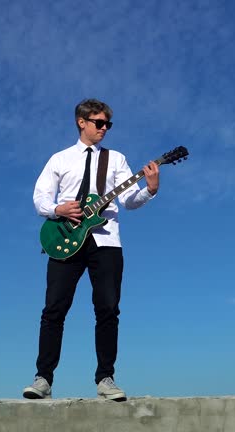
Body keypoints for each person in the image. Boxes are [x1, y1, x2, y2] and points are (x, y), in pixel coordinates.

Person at [24, 98, 160, 401]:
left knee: (108, 309)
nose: (104, 129)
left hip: (106, 241)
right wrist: (58, 208)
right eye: (99, 123)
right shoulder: (59, 159)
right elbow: (40, 197)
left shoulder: (116, 159)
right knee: (54, 309)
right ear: (81, 122)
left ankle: (106, 378)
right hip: (65, 240)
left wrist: (149, 190)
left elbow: (128, 201)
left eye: (107, 124)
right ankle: (43, 378)